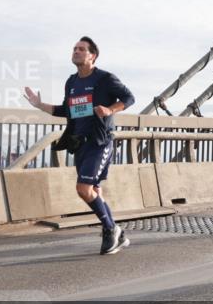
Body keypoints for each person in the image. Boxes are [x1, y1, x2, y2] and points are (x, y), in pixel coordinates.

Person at [24, 36, 136, 255]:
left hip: (99, 142)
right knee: (94, 190)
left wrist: (109, 110)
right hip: (79, 144)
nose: (76, 51)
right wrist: (39, 105)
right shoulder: (72, 82)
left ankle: (111, 229)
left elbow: (129, 98)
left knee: (83, 189)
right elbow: (67, 110)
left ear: (92, 56)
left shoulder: (105, 79)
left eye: (81, 49)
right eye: (74, 48)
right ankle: (118, 234)